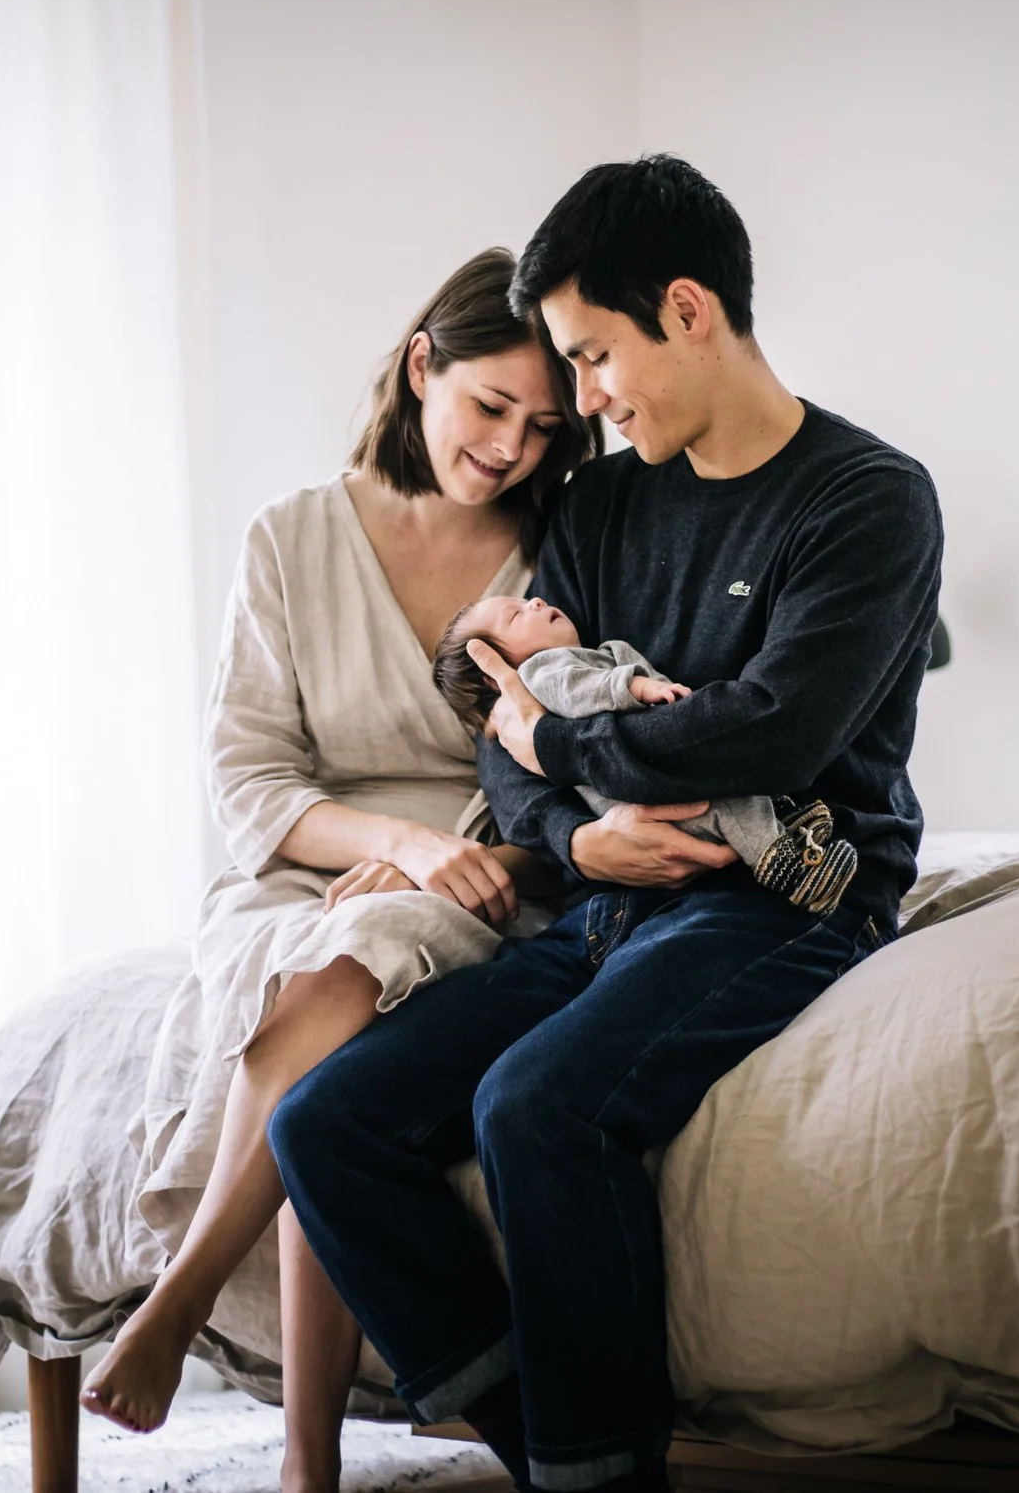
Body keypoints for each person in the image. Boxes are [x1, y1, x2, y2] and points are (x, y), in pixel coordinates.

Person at [269, 155, 945, 1493]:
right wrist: (577, 837)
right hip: (597, 899)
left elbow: (769, 730)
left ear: (688, 310)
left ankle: (592, 1461)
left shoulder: (869, 497)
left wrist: (562, 745)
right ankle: (571, 1455)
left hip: (782, 897)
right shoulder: (600, 501)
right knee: (321, 1123)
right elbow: (499, 731)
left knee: (537, 1105)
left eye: (591, 357)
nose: (580, 404)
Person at [79, 247, 596, 1493]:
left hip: (486, 873)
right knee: (325, 964)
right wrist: (390, 845)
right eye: (488, 406)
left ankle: (201, 1306)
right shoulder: (290, 538)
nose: (511, 447)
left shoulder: (564, 546)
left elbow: (568, 754)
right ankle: (300, 1454)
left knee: (356, 979)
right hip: (310, 868)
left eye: (541, 425)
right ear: (423, 364)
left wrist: (444, 858)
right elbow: (249, 779)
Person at [430, 593, 857, 913]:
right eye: (516, 614)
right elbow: (583, 691)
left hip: (653, 782)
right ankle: (789, 867)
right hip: (646, 800)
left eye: (526, 600)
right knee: (725, 803)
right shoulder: (542, 673)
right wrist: (638, 687)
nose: (536, 600)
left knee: (733, 794)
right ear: (495, 675)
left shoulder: (591, 655)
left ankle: (781, 827)